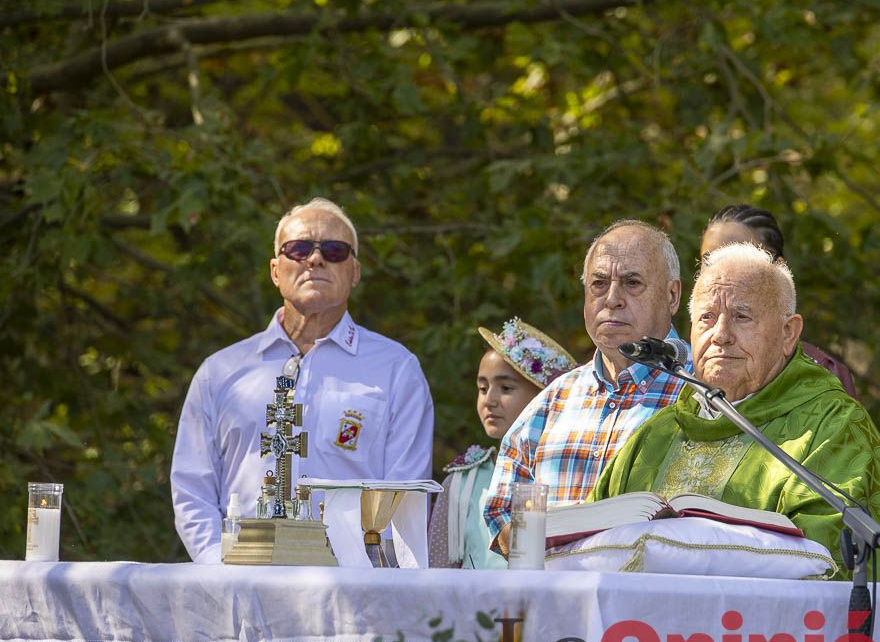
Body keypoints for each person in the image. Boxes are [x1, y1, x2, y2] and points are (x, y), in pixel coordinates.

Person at [590, 242, 880, 583]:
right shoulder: (655, 437)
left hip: (762, 634)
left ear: (788, 333)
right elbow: (590, 546)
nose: (721, 335)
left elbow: (830, 563)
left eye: (741, 316)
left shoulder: (832, 428)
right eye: (707, 317)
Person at [170, 197, 434, 563]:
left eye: (334, 250)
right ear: (276, 271)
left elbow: (405, 496)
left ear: (355, 272)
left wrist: (371, 582)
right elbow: (191, 488)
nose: (315, 259)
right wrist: (220, 570)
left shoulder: (396, 370)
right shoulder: (221, 372)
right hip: (241, 582)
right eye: (298, 249)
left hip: (352, 588)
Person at [483, 219, 690, 551]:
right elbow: (503, 517)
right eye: (598, 283)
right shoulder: (551, 401)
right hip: (555, 596)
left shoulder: (704, 393)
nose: (612, 299)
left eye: (632, 282)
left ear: (672, 295)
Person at [428, 318, 575, 569]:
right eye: (482, 388)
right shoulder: (464, 482)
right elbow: (437, 571)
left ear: (544, 397)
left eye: (506, 388)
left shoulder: (566, 475)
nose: (489, 400)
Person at [701, 204, 858, 398]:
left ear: (779, 268)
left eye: (740, 258)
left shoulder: (823, 376)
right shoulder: (683, 367)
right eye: (709, 261)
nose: (721, 272)